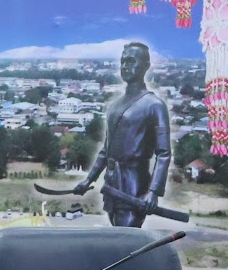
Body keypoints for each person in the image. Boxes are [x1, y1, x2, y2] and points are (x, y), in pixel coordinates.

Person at [71, 41, 172, 227]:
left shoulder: (155, 105)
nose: (125, 66)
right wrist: (89, 179)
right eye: (123, 61)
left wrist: (153, 191)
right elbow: (106, 150)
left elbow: (164, 154)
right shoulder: (115, 106)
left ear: (146, 66)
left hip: (134, 186)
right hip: (112, 185)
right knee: (117, 235)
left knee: (127, 235)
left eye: (131, 61)